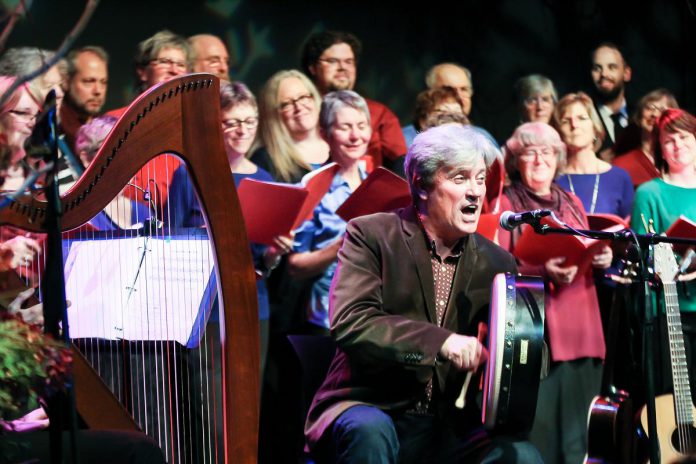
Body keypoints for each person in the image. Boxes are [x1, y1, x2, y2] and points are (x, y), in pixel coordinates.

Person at [305, 124, 542, 463]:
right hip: (373, 405)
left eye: (479, 178)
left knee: (521, 455)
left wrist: (514, 352)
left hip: (448, 422)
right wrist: (442, 342)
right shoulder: (371, 235)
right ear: (422, 184)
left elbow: (531, 354)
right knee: (370, 432)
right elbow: (352, 322)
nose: (475, 192)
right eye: (460, 179)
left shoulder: (497, 261)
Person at [496, 122, 610, 463]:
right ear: (516, 160)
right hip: (536, 333)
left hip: (583, 326)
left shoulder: (570, 199)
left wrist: (602, 255)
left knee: (580, 436)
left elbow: (585, 246)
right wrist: (542, 270)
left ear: (558, 157)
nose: (539, 159)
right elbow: (497, 264)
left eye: (546, 152)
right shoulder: (507, 203)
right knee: (541, 435)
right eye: (529, 153)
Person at [166, 81, 293, 375]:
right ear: (215, 124)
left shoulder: (265, 179)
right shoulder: (189, 174)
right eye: (232, 122)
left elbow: (262, 263)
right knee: (208, 407)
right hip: (201, 306)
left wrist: (275, 252)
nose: (242, 130)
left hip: (251, 303)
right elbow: (167, 241)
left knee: (249, 404)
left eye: (250, 121)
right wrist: (202, 233)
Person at [288, 90, 371, 334]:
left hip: (371, 315)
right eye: (345, 127)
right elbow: (295, 266)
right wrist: (340, 246)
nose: (356, 136)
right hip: (326, 319)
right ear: (325, 134)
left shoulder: (375, 185)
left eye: (361, 125)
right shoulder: (312, 189)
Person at [631, 108, 696, 397]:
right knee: (673, 400)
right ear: (660, 148)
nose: (678, 145)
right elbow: (640, 254)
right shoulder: (649, 193)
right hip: (669, 312)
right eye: (669, 140)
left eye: (684, 137)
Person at [106, 30, 192, 209]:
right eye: (164, 62)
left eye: (180, 64)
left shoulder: (192, 128)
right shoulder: (112, 123)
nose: (174, 70)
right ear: (142, 71)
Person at [301, 30, 407, 171]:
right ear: (313, 67)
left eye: (349, 62)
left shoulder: (378, 113)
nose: (342, 67)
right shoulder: (302, 113)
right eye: (332, 61)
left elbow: (402, 163)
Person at [553, 92, 633, 217]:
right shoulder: (553, 180)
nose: (574, 125)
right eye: (566, 121)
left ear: (595, 127)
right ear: (559, 132)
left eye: (582, 118)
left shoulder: (620, 178)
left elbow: (632, 232)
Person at [251, 69, 329, 183]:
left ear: (314, 98)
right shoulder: (264, 161)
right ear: (273, 115)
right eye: (287, 104)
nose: (299, 107)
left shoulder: (339, 142)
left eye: (303, 97)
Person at [612, 88, 679, 188]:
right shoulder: (622, 165)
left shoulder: (682, 160)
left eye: (662, 110)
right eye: (649, 108)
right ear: (639, 116)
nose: (654, 114)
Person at [60, 46, 109, 150]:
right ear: (66, 82)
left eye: (103, 82)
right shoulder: (53, 127)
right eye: (89, 81)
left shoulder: (107, 128)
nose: (98, 91)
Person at [590, 42, 632, 150]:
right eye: (597, 68)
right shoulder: (583, 118)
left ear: (626, 74)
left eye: (612, 67)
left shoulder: (641, 116)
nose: (604, 74)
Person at [402, 87, 468, 147]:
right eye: (443, 112)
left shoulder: (475, 147)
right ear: (423, 121)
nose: (452, 118)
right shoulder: (408, 147)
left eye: (457, 113)